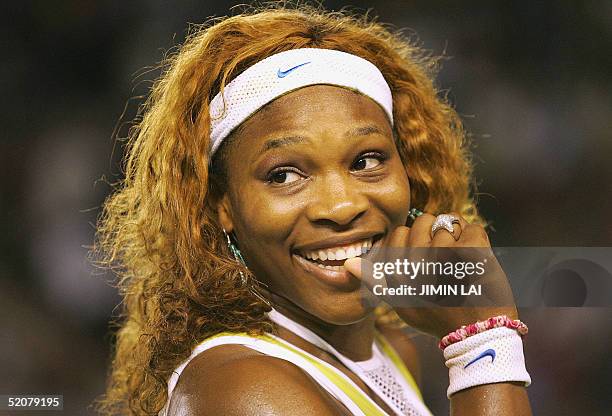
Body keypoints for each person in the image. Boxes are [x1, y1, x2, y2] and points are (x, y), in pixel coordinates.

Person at [95, 4, 532, 415]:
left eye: (366, 161)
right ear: (220, 206)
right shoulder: (244, 389)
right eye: (285, 175)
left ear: (411, 172)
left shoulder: (393, 351)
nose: (340, 206)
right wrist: (484, 342)